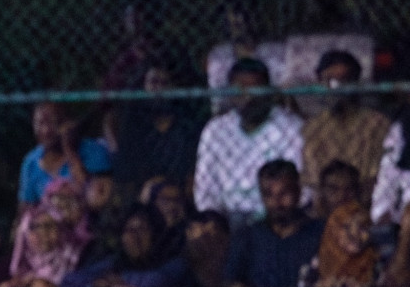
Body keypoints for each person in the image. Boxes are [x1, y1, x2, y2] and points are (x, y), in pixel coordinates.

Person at [194, 58, 304, 224]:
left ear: (268, 92)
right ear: (230, 93)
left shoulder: (291, 127)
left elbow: (302, 186)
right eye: (241, 91)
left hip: (277, 215)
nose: (249, 98)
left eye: (255, 90)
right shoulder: (216, 130)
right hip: (227, 218)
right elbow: (204, 189)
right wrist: (214, 219)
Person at [224, 159, 323, 287]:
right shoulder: (248, 236)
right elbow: (232, 284)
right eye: (269, 195)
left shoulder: (319, 233)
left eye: (284, 193)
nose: (277, 202)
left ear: (298, 192)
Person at [61, 205, 185, 287]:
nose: (135, 236)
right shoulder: (114, 262)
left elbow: (160, 280)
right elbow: (69, 282)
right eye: (130, 230)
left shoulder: (171, 260)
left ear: (155, 233)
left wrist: (114, 285)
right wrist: (94, 285)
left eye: (142, 229)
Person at [286, 201, 390, 287]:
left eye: (362, 228)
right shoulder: (314, 269)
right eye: (346, 227)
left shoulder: (376, 269)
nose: (354, 234)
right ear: (333, 229)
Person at [300, 50, 391, 203]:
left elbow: (379, 177)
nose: (338, 89)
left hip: (366, 203)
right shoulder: (312, 129)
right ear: (320, 81)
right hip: (325, 207)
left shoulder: (377, 124)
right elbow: (312, 181)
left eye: (345, 81)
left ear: (356, 82)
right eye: (331, 81)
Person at [111, 62, 202, 197]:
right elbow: (126, 175)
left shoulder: (187, 128)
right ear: (144, 87)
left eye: (165, 84)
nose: (159, 89)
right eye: (154, 82)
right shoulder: (134, 128)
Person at [18, 103, 111, 206]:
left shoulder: (93, 151)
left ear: (68, 122)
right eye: (40, 123)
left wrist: (69, 150)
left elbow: (96, 199)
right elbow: (26, 208)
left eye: (53, 122)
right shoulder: (30, 163)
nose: (46, 131)